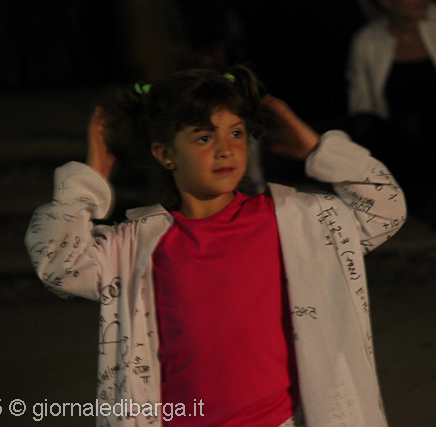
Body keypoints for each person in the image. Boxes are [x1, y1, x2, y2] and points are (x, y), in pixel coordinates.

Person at [25, 66, 406, 427]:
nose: (226, 149)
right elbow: (58, 263)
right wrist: (87, 182)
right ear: (165, 153)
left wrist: (316, 148)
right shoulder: (136, 244)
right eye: (204, 137)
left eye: (236, 133)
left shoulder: (289, 220)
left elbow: (385, 209)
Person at [346, 0, 436, 230]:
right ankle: (410, 198)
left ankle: (435, 199)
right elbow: (362, 106)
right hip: (402, 143)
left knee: (413, 122)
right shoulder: (367, 41)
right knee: (364, 125)